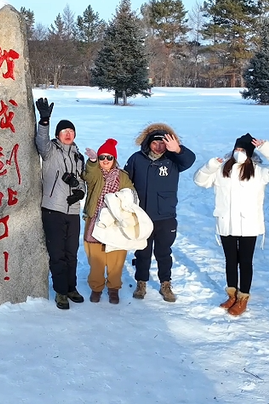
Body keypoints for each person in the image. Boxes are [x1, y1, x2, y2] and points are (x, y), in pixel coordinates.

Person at [193, 133, 269, 316]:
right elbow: (200, 181)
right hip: (226, 223)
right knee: (230, 261)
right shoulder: (222, 170)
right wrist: (210, 166)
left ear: (250, 152)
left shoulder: (259, 172)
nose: (239, 152)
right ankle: (231, 295)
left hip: (248, 224)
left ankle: (243, 298)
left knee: (245, 262)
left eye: (243, 149)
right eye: (237, 148)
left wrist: (266, 148)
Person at [124, 123, 196, 303]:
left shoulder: (173, 160)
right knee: (142, 252)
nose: (158, 147)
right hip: (143, 216)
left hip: (166, 216)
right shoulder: (137, 159)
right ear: (148, 143)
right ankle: (141, 283)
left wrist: (177, 149)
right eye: (155, 143)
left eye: (162, 143)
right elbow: (125, 180)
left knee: (163, 252)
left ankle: (165, 284)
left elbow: (190, 160)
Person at [34, 97, 86, 310]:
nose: (68, 134)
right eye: (64, 131)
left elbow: (82, 180)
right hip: (53, 209)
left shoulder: (78, 156)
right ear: (58, 135)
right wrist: (44, 121)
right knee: (57, 254)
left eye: (71, 131)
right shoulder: (51, 151)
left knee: (71, 253)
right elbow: (41, 142)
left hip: (73, 210)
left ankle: (72, 287)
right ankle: (61, 292)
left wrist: (79, 191)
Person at [81, 139, 141, 304]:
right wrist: (92, 161)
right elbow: (89, 174)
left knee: (116, 259)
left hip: (116, 224)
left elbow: (131, 195)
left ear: (114, 159)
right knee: (96, 259)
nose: (105, 160)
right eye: (102, 157)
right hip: (95, 221)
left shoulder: (122, 176)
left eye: (109, 157)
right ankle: (96, 288)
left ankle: (114, 288)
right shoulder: (95, 174)